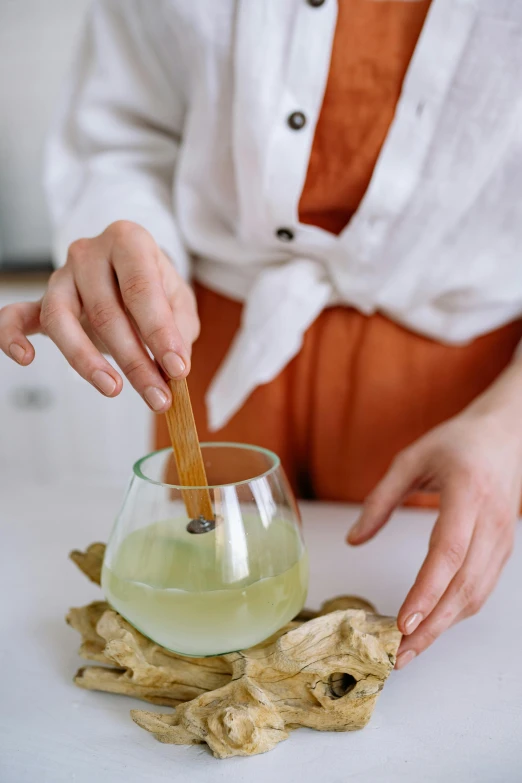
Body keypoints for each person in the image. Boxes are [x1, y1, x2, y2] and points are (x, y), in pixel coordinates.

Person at [1, 0, 521, 670]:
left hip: (460, 388)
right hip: (205, 343)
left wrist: (510, 428)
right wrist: (132, 258)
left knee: (418, 664)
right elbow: (127, 131)